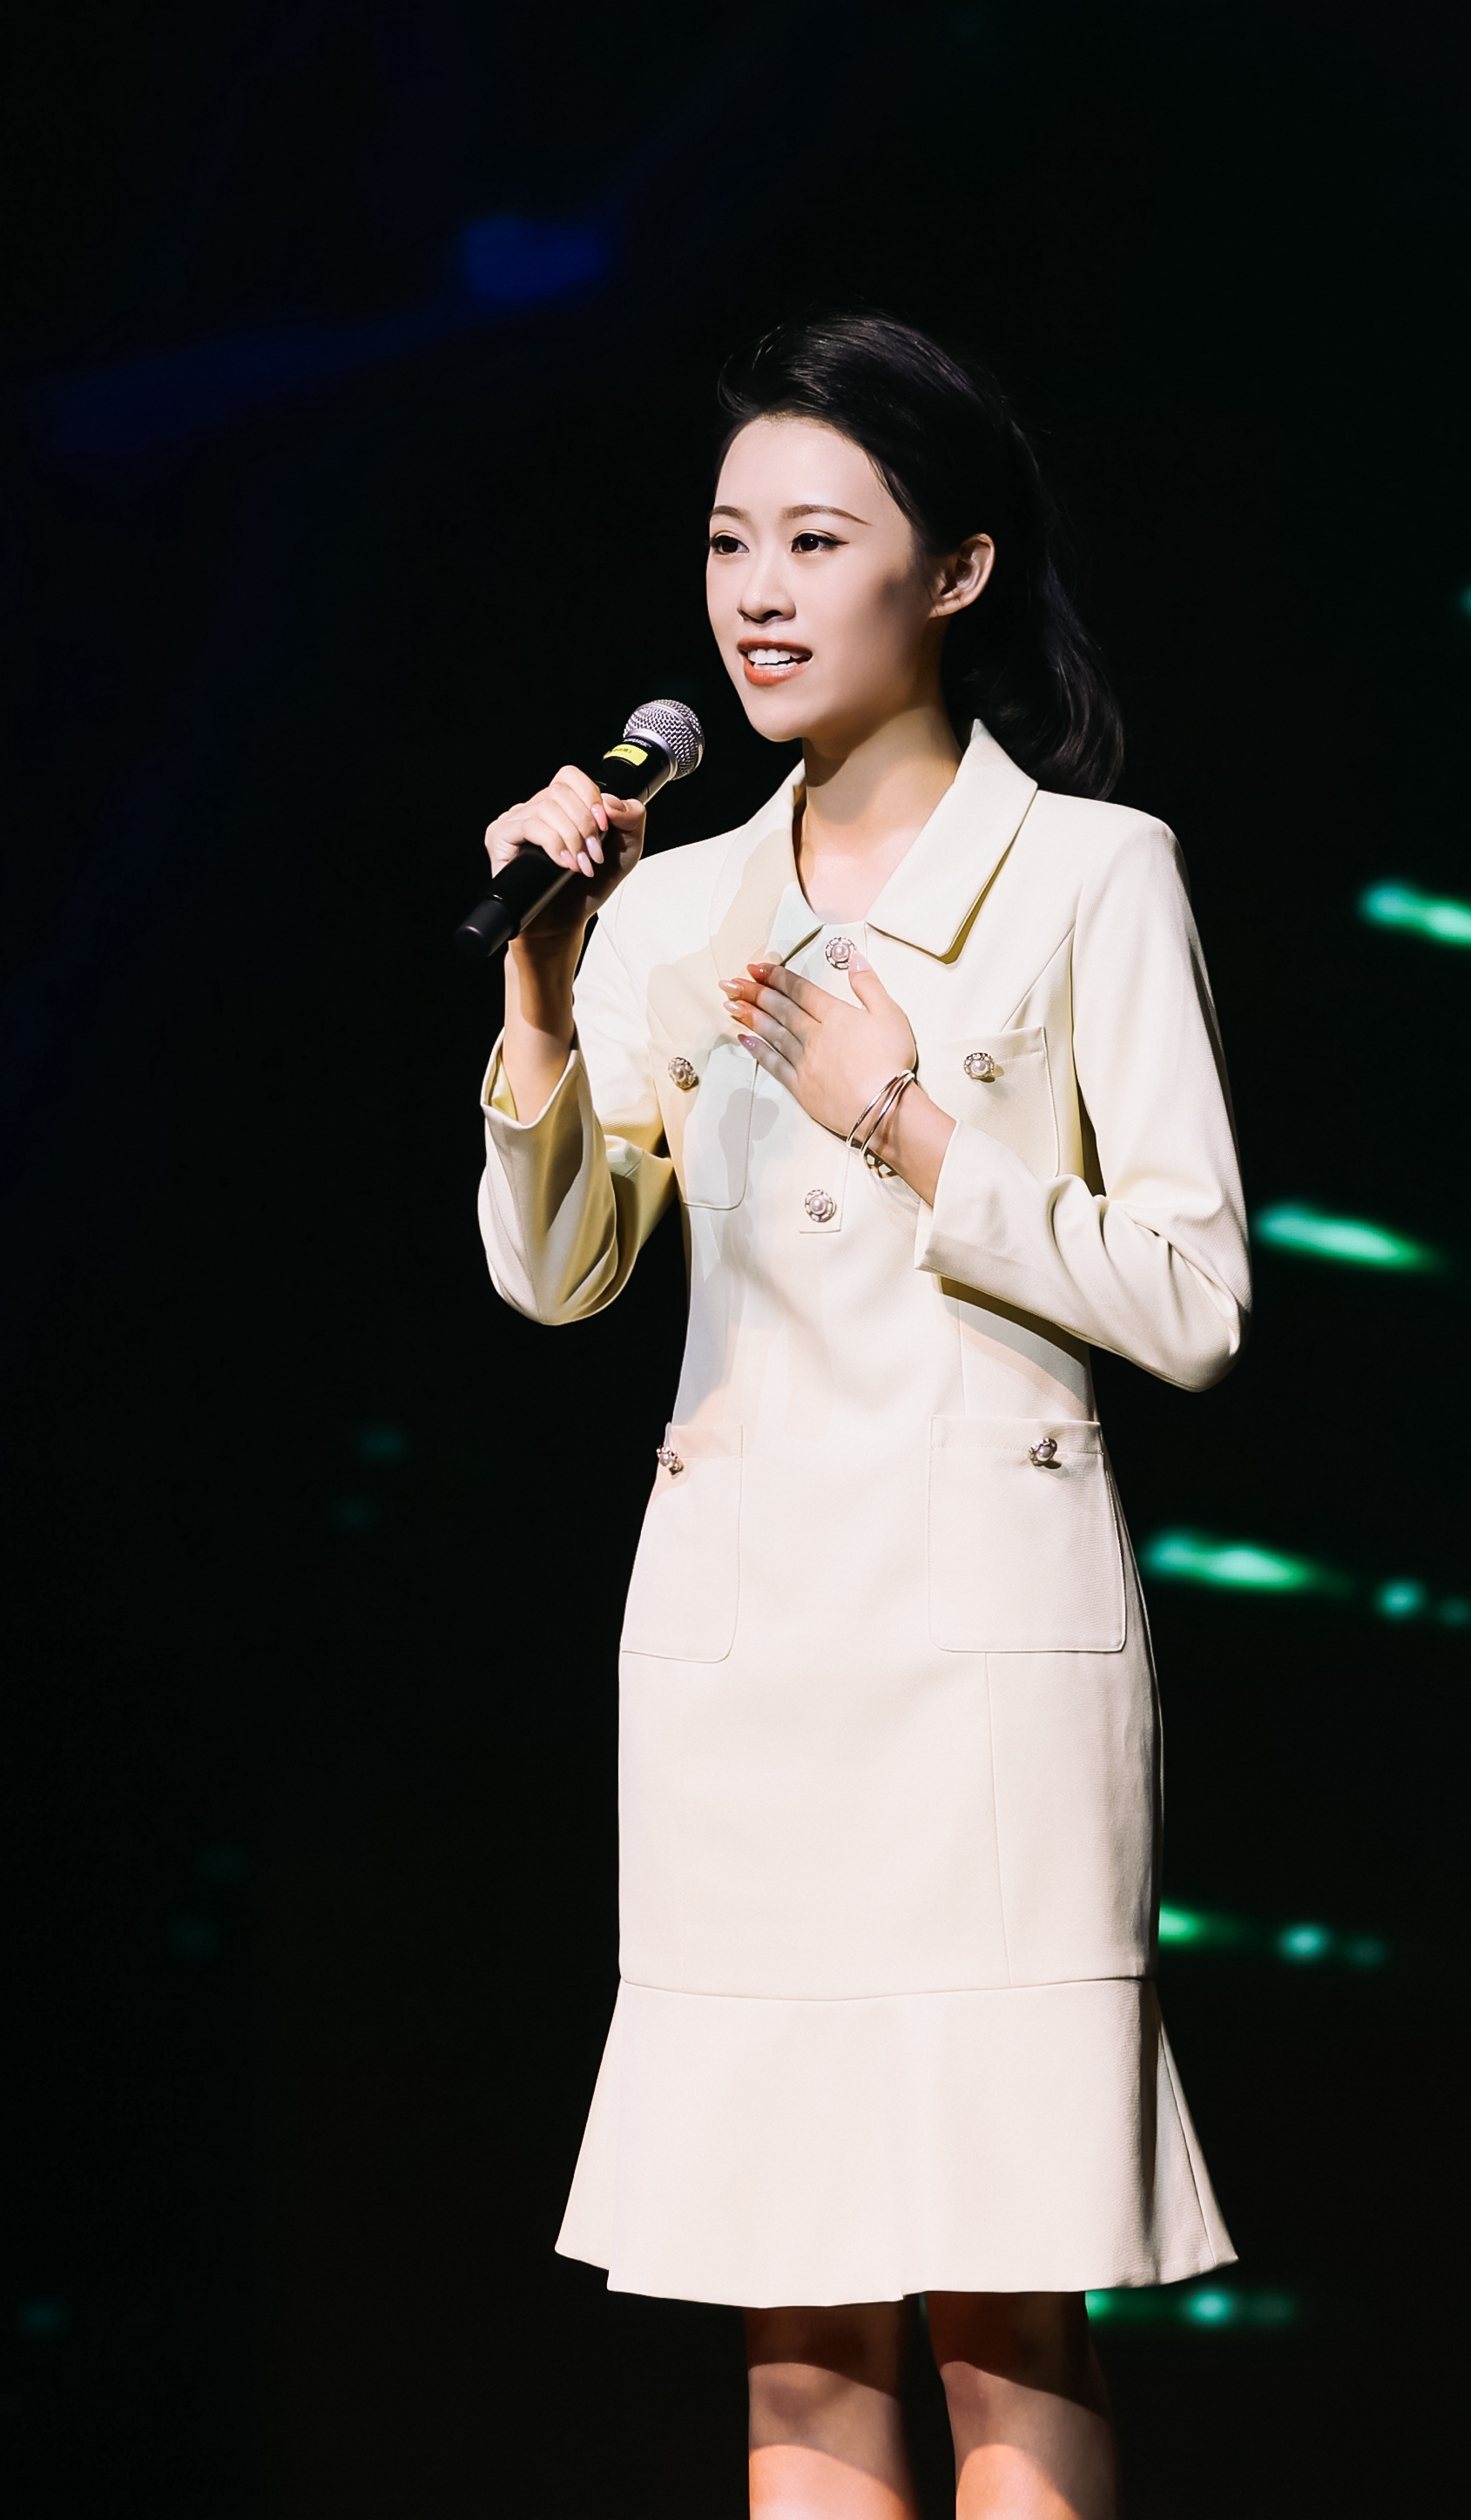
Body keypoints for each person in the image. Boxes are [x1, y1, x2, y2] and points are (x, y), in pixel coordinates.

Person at [474, 313, 1248, 2519]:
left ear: (957, 569)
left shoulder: (1093, 872)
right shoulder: (666, 908)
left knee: (1009, 2318)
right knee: (796, 2343)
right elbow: (556, 1271)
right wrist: (543, 990)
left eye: (819, 540)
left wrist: (908, 1122)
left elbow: (1194, 1300)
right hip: (747, 1665)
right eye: (733, 541)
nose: (760, 593)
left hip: (988, 1665)